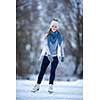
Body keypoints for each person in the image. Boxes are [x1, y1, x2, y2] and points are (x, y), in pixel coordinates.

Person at [32, 18, 64, 93]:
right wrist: (49, 55)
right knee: (42, 71)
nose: (54, 28)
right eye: (53, 26)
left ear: (57, 28)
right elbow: (46, 46)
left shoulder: (59, 36)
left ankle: (50, 86)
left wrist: (62, 55)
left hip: (55, 57)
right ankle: (37, 85)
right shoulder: (47, 36)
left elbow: (61, 47)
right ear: (50, 27)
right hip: (47, 56)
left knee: (52, 71)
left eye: (55, 26)